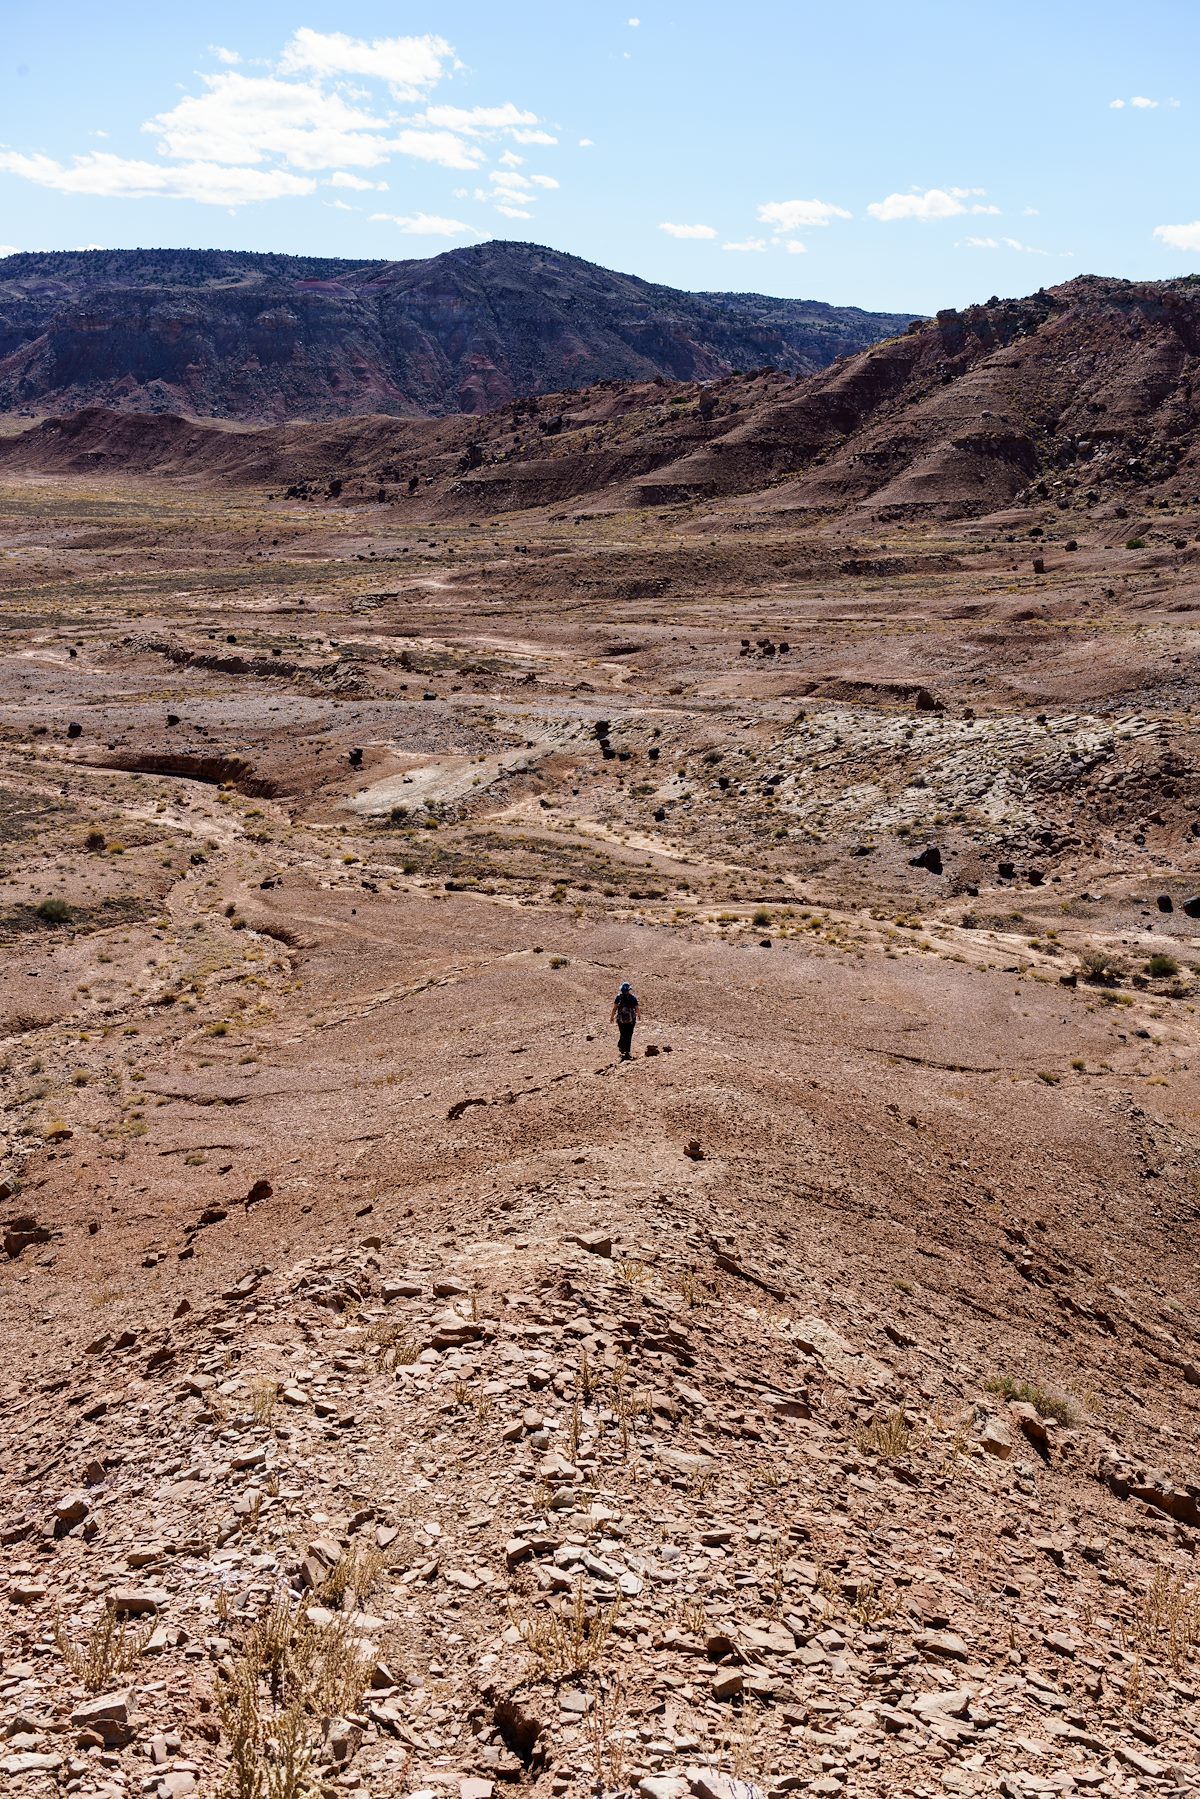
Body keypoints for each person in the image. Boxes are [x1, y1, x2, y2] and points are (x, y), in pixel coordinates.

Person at [610, 981, 640, 1060]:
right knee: (629, 1035)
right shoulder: (632, 998)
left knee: (623, 1034)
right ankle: (627, 1052)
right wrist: (639, 1015)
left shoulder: (618, 997)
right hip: (631, 1020)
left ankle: (621, 1047)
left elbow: (615, 1008)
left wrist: (612, 1017)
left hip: (620, 1020)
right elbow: (636, 1008)